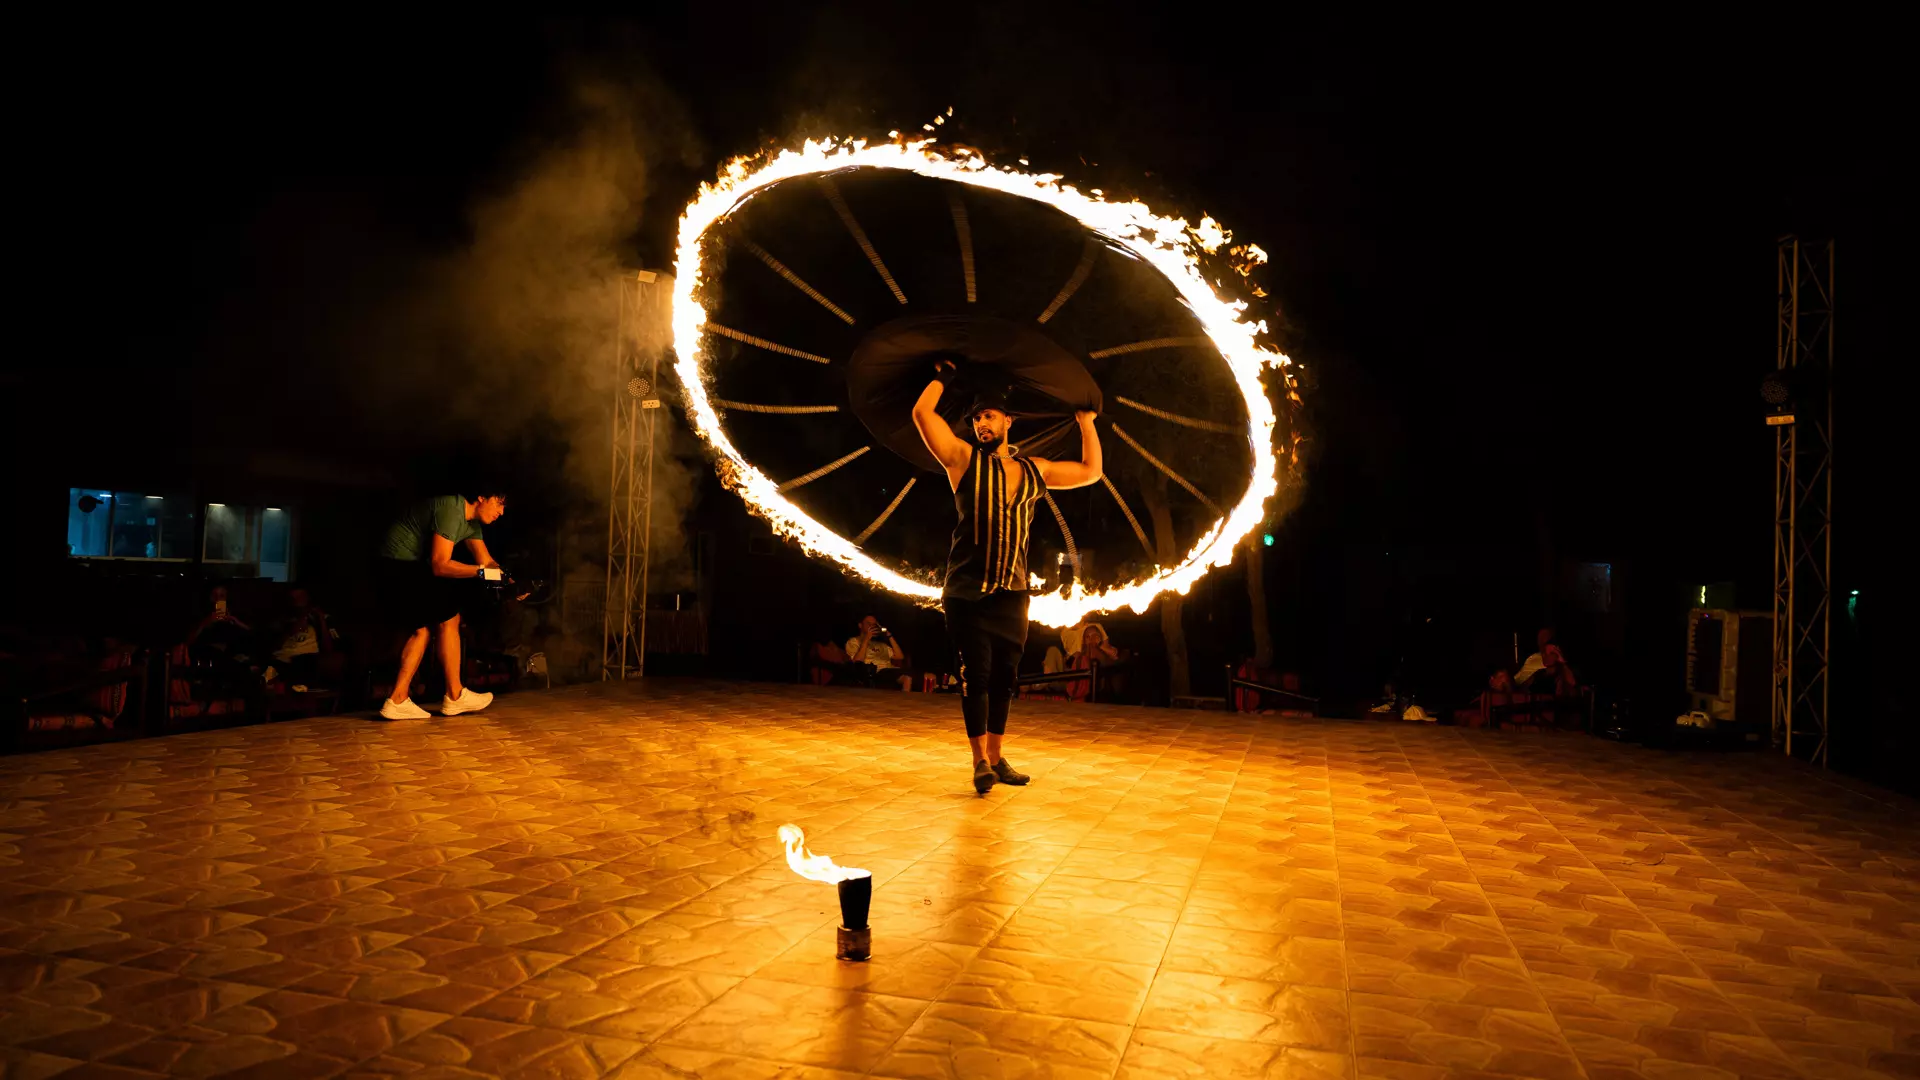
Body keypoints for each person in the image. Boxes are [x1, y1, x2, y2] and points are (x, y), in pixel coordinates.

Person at [912, 362, 1102, 794]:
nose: (981, 423)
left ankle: (997, 758)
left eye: (989, 416)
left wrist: (1086, 423)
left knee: (1004, 679)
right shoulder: (962, 460)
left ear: (1008, 421)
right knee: (975, 677)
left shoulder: (1035, 470)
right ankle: (979, 761)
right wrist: (942, 376)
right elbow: (923, 416)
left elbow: (1091, 471)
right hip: (967, 592)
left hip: (1013, 593)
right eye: (976, 418)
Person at [374, 489, 508, 720]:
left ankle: (399, 699)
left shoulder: (471, 524)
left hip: (407, 566)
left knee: (428, 628)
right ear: (481, 498)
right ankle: (453, 696)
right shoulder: (452, 510)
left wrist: (512, 582)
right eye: (498, 503)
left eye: (504, 507)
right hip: (395, 565)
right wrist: (481, 573)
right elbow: (440, 565)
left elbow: (487, 562)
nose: (501, 512)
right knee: (446, 619)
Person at [270, 584, 336, 687]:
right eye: (293, 599)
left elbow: (328, 648)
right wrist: (295, 627)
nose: (297, 602)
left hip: (308, 662)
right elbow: (273, 646)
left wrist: (321, 620)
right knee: (267, 680)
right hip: (281, 661)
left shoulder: (319, 618)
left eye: (301, 598)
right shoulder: (281, 618)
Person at [845, 615, 914, 691]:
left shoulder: (881, 644)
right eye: (869, 624)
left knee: (908, 675)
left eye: (874, 625)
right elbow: (857, 661)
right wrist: (866, 639)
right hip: (873, 672)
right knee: (906, 674)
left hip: (888, 670)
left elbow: (900, 656)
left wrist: (889, 636)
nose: (872, 627)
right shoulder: (854, 641)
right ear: (860, 625)